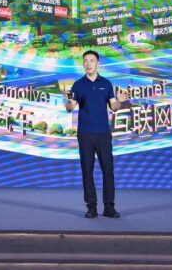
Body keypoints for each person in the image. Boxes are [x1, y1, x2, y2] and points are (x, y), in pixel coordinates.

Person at [64, 49, 129, 218]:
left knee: (108, 170)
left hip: (103, 134)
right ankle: (91, 207)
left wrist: (120, 101)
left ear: (98, 63)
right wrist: (69, 101)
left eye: (91, 60)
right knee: (87, 170)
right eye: (85, 60)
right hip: (85, 134)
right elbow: (70, 108)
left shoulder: (106, 84)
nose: (88, 63)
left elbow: (113, 107)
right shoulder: (78, 85)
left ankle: (109, 207)